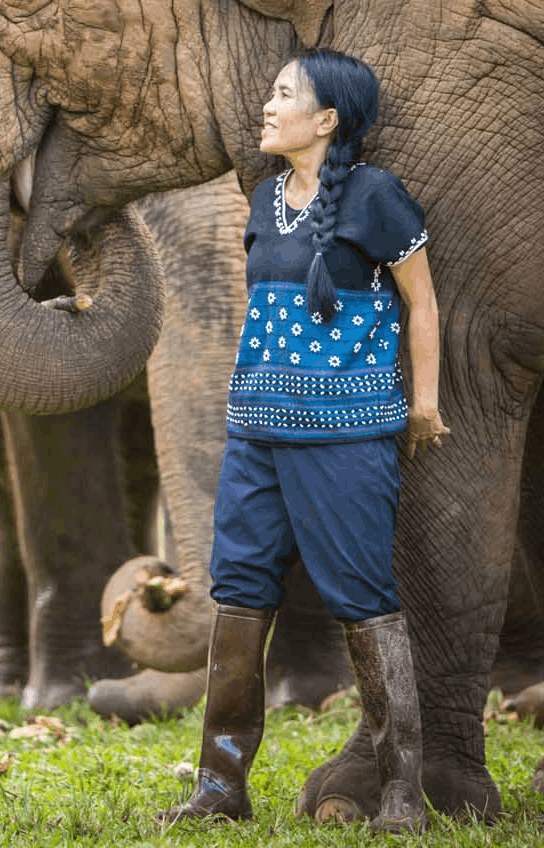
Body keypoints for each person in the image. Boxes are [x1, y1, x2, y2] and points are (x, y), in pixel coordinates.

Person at [165, 50, 447, 834]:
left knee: (363, 599)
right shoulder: (263, 197)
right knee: (238, 592)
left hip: (349, 438)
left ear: (327, 120)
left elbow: (421, 303)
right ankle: (219, 787)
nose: (268, 105)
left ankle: (400, 793)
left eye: (284, 95)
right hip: (254, 433)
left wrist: (423, 404)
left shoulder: (376, 195)